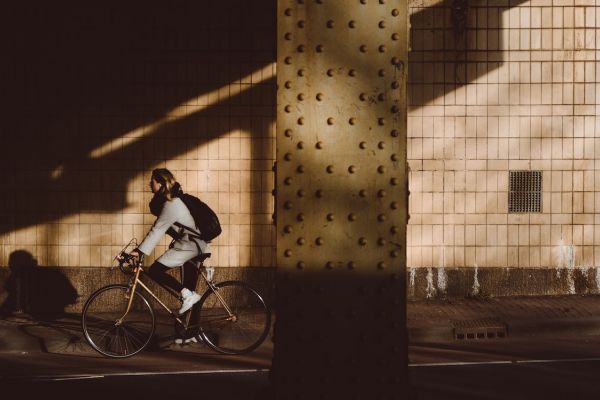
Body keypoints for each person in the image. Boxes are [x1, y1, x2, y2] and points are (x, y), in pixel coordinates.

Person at [129, 168, 208, 314]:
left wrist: (139, 251)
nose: (149, 183)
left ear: (160, 183)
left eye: (152, 180)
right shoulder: (171, 201)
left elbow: (157, 230)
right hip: (193, 245)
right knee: (190, 292)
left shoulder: (172, 204)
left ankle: (187, 296)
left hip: (190, 246)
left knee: (155, 271)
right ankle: (188, 332)